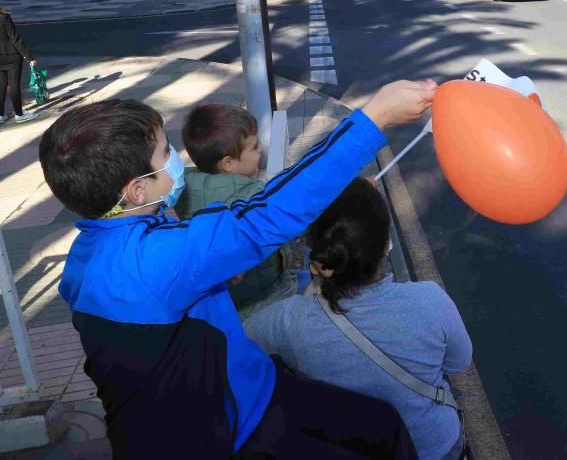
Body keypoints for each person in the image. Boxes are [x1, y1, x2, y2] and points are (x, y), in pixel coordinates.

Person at [39, 80, 437, 459]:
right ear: (136, 190)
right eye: (164, 153)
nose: (177, 158)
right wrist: (374, 117)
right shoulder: (156, 258)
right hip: (226, 435)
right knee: (381, 431)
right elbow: (267, 213)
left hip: (250, 393)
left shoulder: (87, 253)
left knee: (381, 426)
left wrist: (205, 283)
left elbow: (150, 313)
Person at [246, 178, 472, 460]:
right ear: (384, 246)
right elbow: (459, 362)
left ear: (315, 250)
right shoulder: (431, 301)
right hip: (435, 448)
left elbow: (240, 344)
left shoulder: (288, 321)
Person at [175, 104, 308, 321]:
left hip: (228, 304)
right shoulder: (253, 196)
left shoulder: (188, 189)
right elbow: (295, 217)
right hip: (266, 298)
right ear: (228, 163)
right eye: (254, 147)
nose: (261, 150)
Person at [0, 6, 40, 125]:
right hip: (12, 55)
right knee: (14, 85)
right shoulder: (4, 17)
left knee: (1, 85)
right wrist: (29, 57)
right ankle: (19, 114)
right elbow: (15, 38)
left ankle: (0, 115)